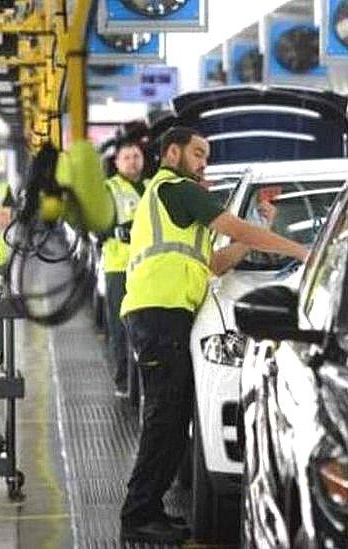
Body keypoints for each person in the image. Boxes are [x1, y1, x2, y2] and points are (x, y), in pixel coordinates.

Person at [118, 127, 308, 544]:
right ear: (173, 153)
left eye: (207, 155)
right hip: (158, 314)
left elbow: (218, 263)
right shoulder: (176, 189)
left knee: (172, 418)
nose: (204, 162)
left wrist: (261, 227)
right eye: (198, 153)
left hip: (165, 315)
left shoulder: (176, 205)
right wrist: (303, 251)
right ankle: (137, 515)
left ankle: (149, 510)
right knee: (163, 419)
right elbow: (237, 230)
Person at [102, 138, 146, 397]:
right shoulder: (110, 188)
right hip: (119, 268)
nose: (132, 161)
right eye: (126, 157)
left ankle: (141, 381)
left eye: (136, 156)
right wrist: (118, 230)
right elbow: (98, 223)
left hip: (147, 268)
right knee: (120, 326)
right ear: (117, 162)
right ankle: (122, 380)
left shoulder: (152, 186)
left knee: (145, 327)